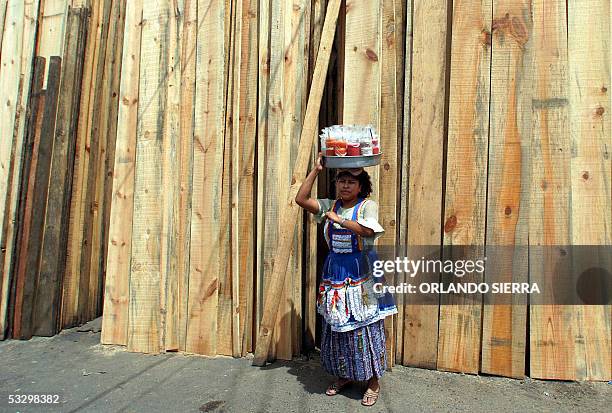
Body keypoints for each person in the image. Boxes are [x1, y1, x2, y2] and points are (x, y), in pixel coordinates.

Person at [295, 152, 397, 407]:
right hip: (335, 272)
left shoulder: (366, 206)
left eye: (352, 181)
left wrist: (340, 220)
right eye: (342, 180)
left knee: (365, 325)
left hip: (361, 270)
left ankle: (373, 381)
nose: (345, 185)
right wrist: (316, 169)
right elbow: (301, 199)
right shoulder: (330, 205)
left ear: (361, 186)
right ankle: (345, 375)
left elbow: (368, 230)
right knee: (338, 325)